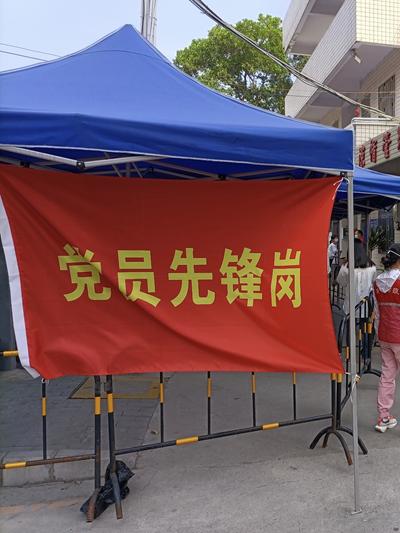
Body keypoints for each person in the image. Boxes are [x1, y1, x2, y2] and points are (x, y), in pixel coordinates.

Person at [373, 244, 400, 433]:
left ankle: (383, 418)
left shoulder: (378, 281)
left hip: (384, 335)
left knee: (387, 376)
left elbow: (377, 312)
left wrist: (377, 333)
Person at [336, 239, 377, 315]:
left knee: (349, 321)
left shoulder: (346, 267)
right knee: (365, 321)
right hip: (366, 306)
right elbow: (373, 281)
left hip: (350, 306)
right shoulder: (372, 266)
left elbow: (341, 282)